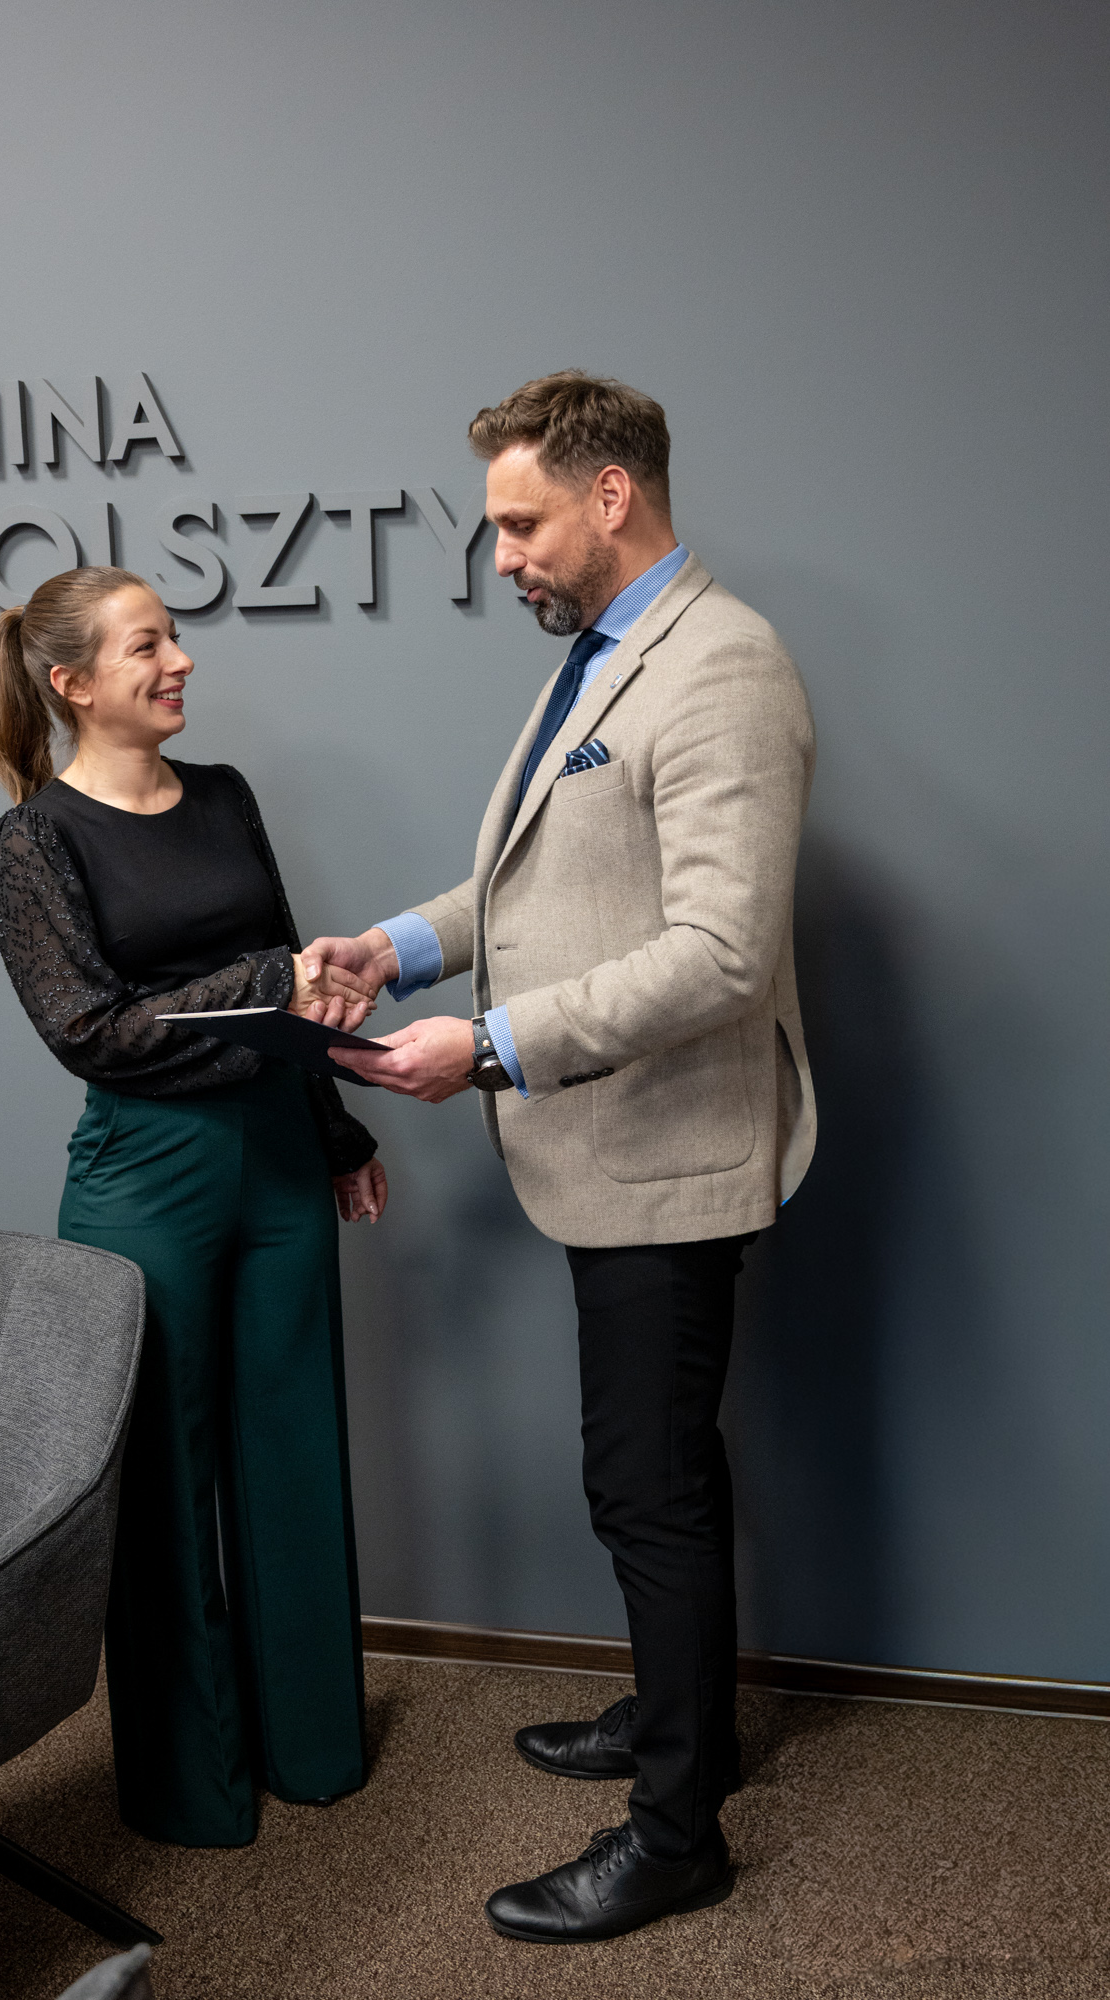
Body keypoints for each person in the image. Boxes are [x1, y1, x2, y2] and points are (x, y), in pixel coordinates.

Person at [302, 372, 817, 1941]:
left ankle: (674, 1836)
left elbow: (720, 954)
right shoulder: (598, 657)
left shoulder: (718, 666)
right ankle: (681, 1728)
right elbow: (526, 885)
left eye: (520, 523)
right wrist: (393, 950)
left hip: (669, 1153)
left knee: (646, 1488)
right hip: (613, 1147)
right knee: (648, 1475)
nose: (503, 555)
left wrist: (489, 1044)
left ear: (610, 495)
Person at [0, 565, 386, 1849]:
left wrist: (335, 1131)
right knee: (163, 1475)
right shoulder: (34, 841)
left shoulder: (223, 795)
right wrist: (268, 977)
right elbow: (93, 1030)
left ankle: (312, 1749)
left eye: (175, 636)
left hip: (278, 1154)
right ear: (73, 682)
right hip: (147, 1178)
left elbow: (295, 991)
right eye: (148, 644)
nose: (181, 661)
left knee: (294, 1446)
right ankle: (189, 1787)